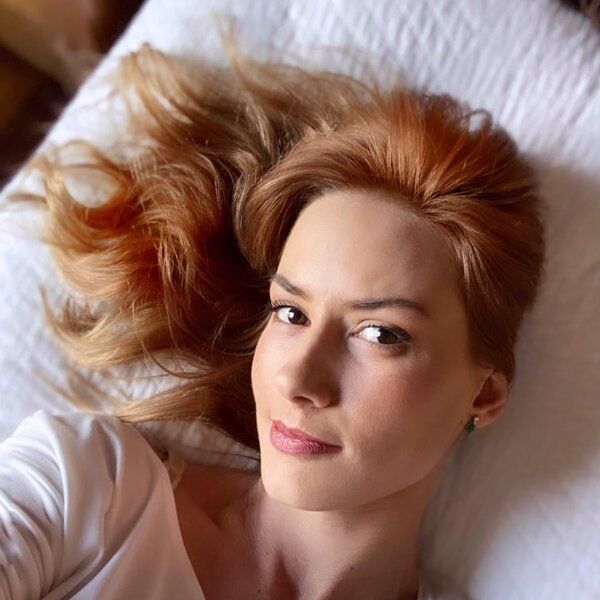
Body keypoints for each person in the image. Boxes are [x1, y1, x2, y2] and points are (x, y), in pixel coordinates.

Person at [0, 22, 545, 600]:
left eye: (381, 334)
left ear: (483, 395)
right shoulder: (83, 490)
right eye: (290, 313)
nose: (297, 379)